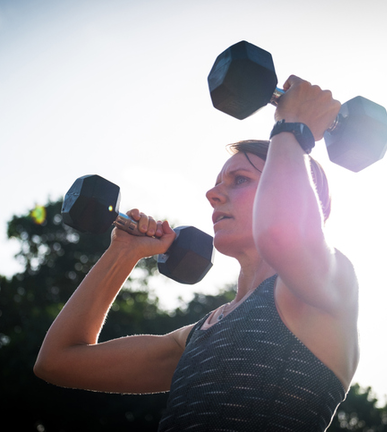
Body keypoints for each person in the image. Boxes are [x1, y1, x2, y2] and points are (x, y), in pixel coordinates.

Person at [33, 75, 360, 431]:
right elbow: (58, 361)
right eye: (219, 184)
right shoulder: (196, 336)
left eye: (240, 180)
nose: (213, 194)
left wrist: (293, 128)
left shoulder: (329, 287)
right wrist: (122, 253)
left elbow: (282, 234)